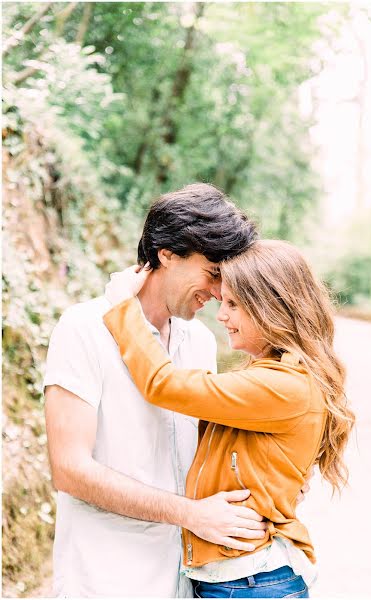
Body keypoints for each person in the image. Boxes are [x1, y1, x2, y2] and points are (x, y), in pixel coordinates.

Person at [44, 183, 266, 598]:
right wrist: (191, 514)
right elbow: (69, 469)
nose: (219, 294)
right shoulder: (83, 329)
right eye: (212, 272)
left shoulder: (199, 340)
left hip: (183, 579)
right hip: (103, 578)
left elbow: (203, 452)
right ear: (167, 253)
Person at [103, 239, 356, 599]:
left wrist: (124, 307)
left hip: (251, 582)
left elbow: (164, 384)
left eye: (234, 305)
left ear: (271, 308)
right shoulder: (274, 377)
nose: (222, 316)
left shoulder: (281, 385)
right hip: (243, 579)